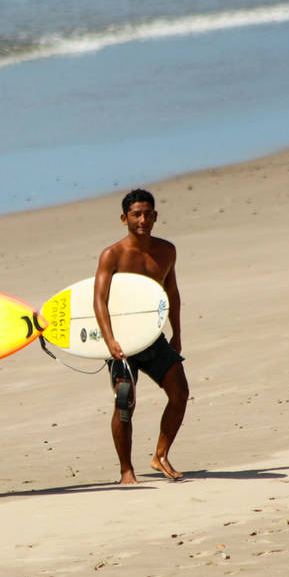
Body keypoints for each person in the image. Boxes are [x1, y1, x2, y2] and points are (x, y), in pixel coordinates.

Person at [93, 188, 189, 484]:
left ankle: (160, 455)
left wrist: (177, 332)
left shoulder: (166, 251)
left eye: (148, 213)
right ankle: (126, 470)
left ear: (155, 216)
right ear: (125, 218)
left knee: (180, 393)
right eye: (136, 214)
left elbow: (171, 292)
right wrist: (110, 340)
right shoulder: (113, 255)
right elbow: (99, 300)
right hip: (122, 340)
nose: (143, 219)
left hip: (152, 336)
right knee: (124, 403)